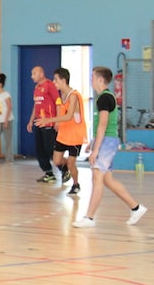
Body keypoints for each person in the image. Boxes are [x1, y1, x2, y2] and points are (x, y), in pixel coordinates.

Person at [72, 66, 148, 228]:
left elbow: (103, 125)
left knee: (97, 179)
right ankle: (136, 208)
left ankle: (89, 218)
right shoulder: (104, 97)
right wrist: (93, 142)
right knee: (107, 180)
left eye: (92, 77)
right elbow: (101, 125)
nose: (90, 80)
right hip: (107, 141)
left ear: (100, 80)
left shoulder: (104, 98)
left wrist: (96, 150)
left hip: (106, 143)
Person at [35, 68, 87, 195]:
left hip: (75, 135)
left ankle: (76, 184)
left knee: (71, 163)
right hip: (64, 134)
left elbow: (69, 116)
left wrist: (49, 120)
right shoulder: (61, 95)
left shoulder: (73, 96)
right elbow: (60, 110)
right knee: (56, 160)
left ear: (63, 80)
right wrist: (57, 123)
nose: (54, 82)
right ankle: (66, 170)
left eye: (56, 79)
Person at [26, 65, 61, 183]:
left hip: (49, 123)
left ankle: (64, 168)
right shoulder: (36, 88)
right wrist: (31, 121)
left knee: (50, 149)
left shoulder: (49, 85)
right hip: (39, 123)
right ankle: (48, 173)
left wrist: (57, 120)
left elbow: (58, 102)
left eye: (34, 74)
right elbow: (35, 105)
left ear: (41, 74)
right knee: (39, 149)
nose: (32, 76)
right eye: (31, 74)